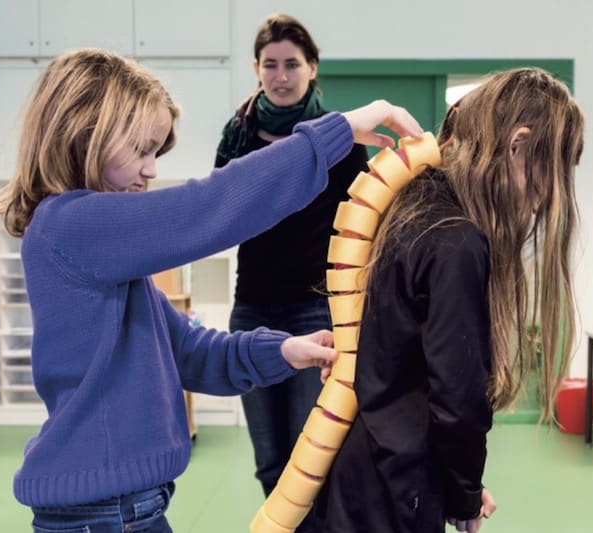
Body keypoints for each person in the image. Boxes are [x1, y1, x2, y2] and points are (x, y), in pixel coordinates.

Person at [0, 48, 423, 532]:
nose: (151, 170)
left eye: (156, 152)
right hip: (106, 517)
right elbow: (209, 207)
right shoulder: (69, 226)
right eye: (141, 149)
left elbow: (189, 352)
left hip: (129, 509)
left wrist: (287, 350)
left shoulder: (103, 248)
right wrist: (335, 134)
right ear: (84, 135)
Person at [316, 67, 585, 533]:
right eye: (555, 167)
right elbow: (456, 399)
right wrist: (462, 494)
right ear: (518, 146)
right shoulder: (457, 240)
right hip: (398, 493)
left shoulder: (416, 209)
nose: (546, 197)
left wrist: (456, 482)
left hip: (368, 469)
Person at [214, 15, 368, 531]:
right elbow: (220, 209)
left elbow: (365, 221)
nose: (281, 76)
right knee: (269, 461)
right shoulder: (235, 138)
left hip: (313, 308)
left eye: (292, 64)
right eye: (271, 65)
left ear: (312, 68)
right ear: (256, 69)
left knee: (312, 458)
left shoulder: (341, 139)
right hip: (252, 307)